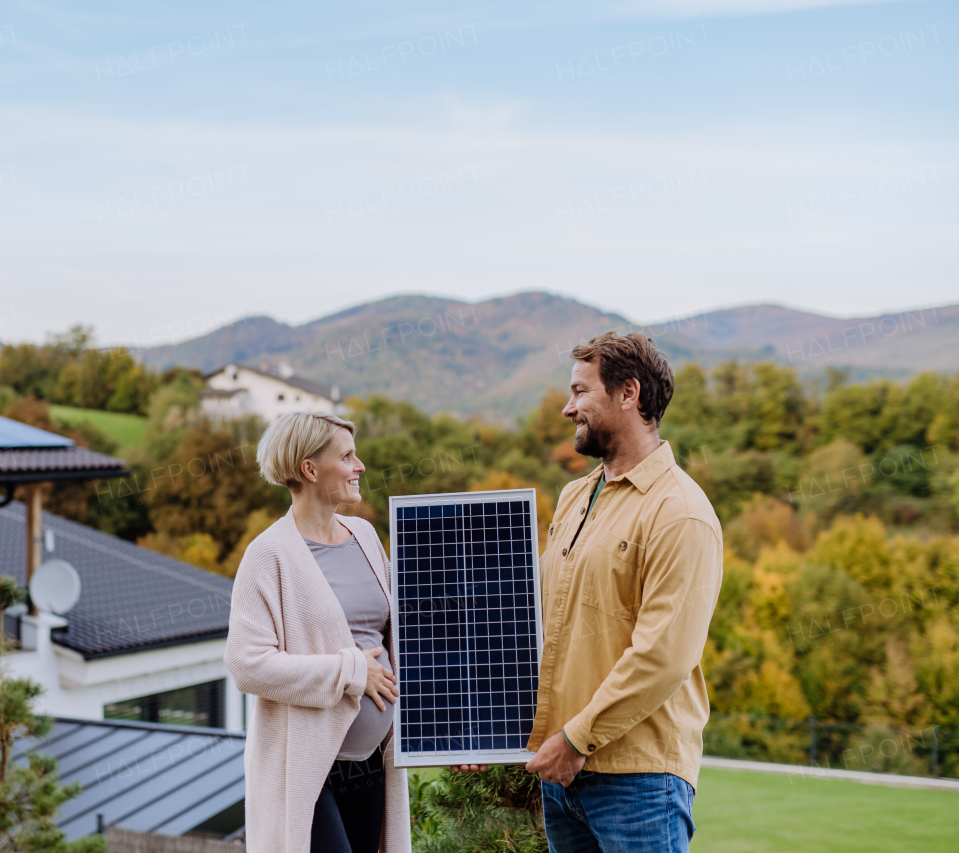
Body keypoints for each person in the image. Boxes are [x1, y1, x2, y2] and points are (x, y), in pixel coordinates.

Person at [454, 331, 723, 853]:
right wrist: (481, 723)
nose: (566, 408)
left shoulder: (680, 512)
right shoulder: (576, 496)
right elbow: (532, 623)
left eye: (580, 392)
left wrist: (577, 740)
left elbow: (664, 655)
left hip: (637, 782)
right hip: (563, 778)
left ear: (629, 394)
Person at [224, 411, 410, 853]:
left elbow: (392, 637)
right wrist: (349, 672)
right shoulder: (267, 555)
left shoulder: (364, 535)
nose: (360, 466)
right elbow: (246, 665)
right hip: (307, 768)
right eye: (347, 456)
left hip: (370, 765)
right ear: (309, 469)